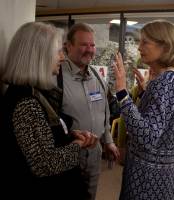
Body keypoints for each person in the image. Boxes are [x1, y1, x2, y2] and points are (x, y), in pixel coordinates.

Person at [0, 22, 98, 200]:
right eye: (58, 51)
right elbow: (45, 164)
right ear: (38, 56)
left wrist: (68, 134)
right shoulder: (25, 103)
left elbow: (43, 135)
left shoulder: (35, 91)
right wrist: (77, 145)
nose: (62, 57)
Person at [112, 20, 174, 200]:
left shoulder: (166, 84)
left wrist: (122, 92)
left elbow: (147, 136)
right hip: (161, 177)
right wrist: (147, 92)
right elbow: (163, 120)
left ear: (165, 46)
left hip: (148, 179)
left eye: (145, 42)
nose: (139, 47)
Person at [61, 22, 120, 200]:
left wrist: (108, 141)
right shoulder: (56, 77)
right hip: (69, 152)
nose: (90, 49)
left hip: (95, 153)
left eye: (92, 45)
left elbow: (105, 112)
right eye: (84, 44)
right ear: (69, 46)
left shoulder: (97, 76)